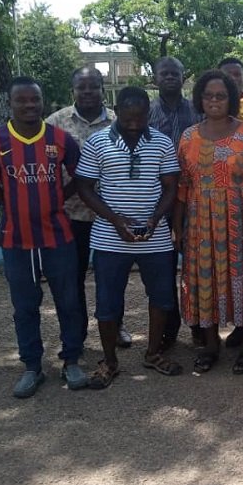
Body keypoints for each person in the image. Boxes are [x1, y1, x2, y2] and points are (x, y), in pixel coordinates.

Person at [0, 77, 85, 398]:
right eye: (21, 101)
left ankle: (71, 360)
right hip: (16, 239)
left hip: (58, 236)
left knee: (68, 301)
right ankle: (31, 366)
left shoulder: (61, 139)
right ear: (10, 103)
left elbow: (81, 175)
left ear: (42, 101)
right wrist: (13, 205)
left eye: (34, 100)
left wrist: (55, 200)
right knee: (24, 305)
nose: (29, 106)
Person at [173, 70, 243, 375]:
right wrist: (178, 227)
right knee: (204, 280)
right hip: (200, 225)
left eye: (220, 95)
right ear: (200, 99)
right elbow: (183, 187)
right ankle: (210, 345)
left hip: (242, 220)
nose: (214, 101)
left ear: (231, 99)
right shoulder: (189, 137)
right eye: (208, 95)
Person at [75, 86, 181, 389]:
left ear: (148, 114)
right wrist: (115, 220)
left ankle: (152, 353)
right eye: (128, 117)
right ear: (116, 110)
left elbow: (171, 187)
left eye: (140, 117)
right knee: (107, 302)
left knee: (161, 297)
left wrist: (154, 218)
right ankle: (109, 361)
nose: (134, 123)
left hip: (155, 236)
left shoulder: (161, 143)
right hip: (110, 237)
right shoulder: (97, 143)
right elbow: (84, 187)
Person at [45, 67, 117, 349]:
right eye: (81, 87)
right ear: (72, 90)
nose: (87, 92)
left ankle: (115, 326)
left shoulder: (117, 121)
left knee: (110, 278)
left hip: (108, 215)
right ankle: (76, 334)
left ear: (102, 88)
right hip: (70, 215)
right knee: (71, 279)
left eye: (93, 86)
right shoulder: (55, 122)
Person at [148, 56, 199, 350]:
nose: (169, 77)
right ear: (155, 78)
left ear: (183, 77)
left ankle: (197, 325)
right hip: (156, 199)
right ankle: (168, 329)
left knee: (193, 267)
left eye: (175, 73)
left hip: (193, 199)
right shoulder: (147, 111)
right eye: (164, 73)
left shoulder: (196, 109)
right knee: (162, 268)